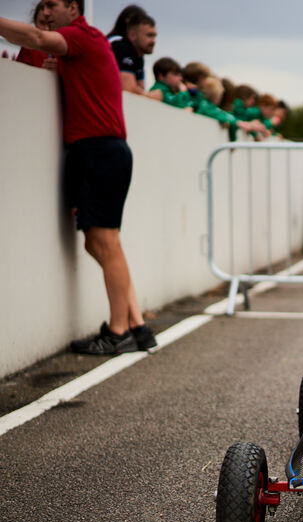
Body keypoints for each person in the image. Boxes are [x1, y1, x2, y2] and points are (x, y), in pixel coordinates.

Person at [0, 0, 156, 354]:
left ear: (73, 7)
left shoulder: (82, 35)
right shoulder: (85, 42)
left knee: (105, 243)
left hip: (100, 151)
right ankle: (136, 325)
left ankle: (119, 334)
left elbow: (36, 39)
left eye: (53, 4)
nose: (46, 12)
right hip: (101, 151)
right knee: (100, 243)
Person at [108, 5, 157, 97]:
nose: (154, 41)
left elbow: (139, 88)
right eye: (149, 35)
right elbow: (129, 91)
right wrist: (155, 96)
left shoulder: (137, 53)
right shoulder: (120, 45)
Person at [14, 3, 49, 68]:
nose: (46, 28)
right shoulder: (28, 47)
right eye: (42, 22)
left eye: (49, 23)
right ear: (35, 22)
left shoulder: (64, 48)